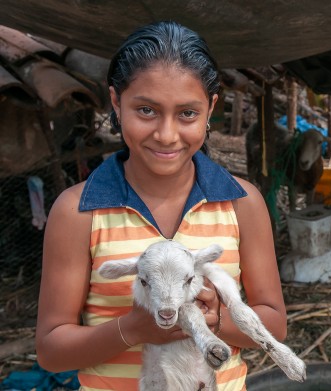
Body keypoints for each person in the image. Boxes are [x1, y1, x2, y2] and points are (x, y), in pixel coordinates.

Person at [35, 20, 287, 390]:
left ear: (211, 109)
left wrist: (216, 321)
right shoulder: (77, 213)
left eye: (187, 113)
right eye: (147, 111)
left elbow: (274, 323)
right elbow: (51, 350)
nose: (167, 135)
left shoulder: (242, 203)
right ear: (117, 103)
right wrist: (133, 328)